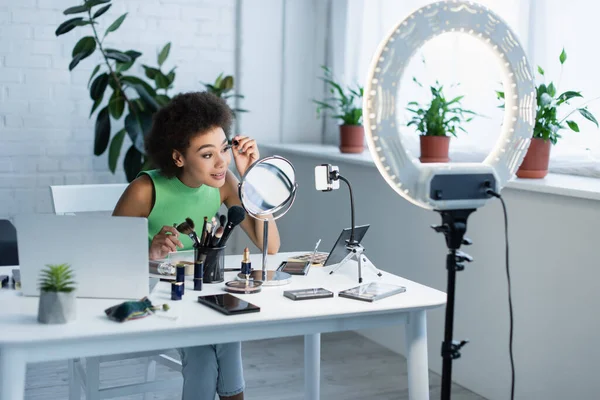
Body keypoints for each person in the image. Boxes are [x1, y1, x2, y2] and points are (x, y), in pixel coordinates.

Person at [113, 91, 280, 400]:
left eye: (223, 149)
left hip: (203, 296)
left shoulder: (226, 182)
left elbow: (268, 246)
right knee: (206, 354)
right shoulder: (144, 189)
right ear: (178, 157)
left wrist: (255, 179)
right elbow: (107, 259)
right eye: (207, 155)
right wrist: (148, 252)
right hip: (158, 299)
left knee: (230, 336)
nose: (220, 163)